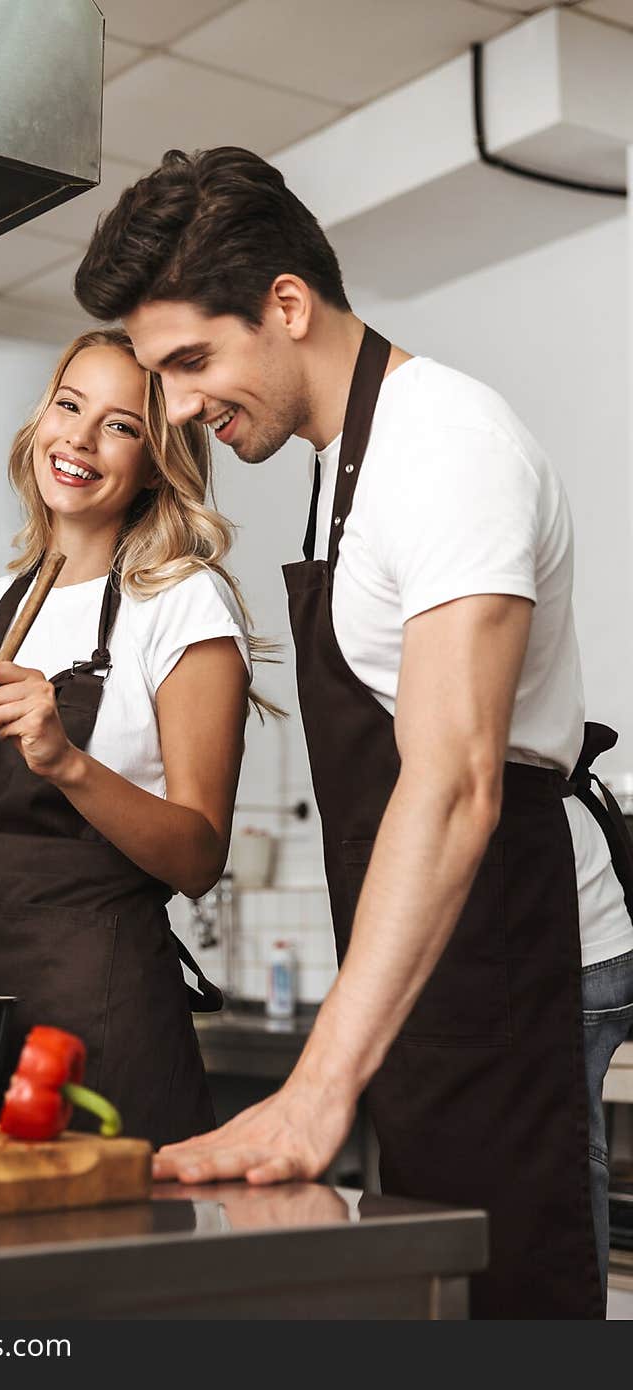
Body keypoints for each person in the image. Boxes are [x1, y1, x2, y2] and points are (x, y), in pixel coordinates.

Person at [73, 147, 633, 1318]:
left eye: (190, 362)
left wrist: (322, 1081)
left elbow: (453, 784)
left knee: (521, 1293)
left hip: (524, 955)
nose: (176, 407)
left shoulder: (445, 448)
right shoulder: (346, 464)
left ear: (286, 304)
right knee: (452, 1293)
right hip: (454, 961)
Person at [0, 326, 266, 1148]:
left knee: (99, 1265)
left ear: (156, 460)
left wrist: (67, 763)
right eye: (70, 405)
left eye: (121, 424)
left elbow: (200, 857)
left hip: (104, 1013)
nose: (81, 436)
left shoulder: (184, 606)